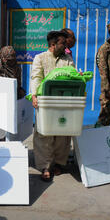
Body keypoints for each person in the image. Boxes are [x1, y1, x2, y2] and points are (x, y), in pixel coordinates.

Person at [30, 30, 75, 182]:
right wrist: (35, 96)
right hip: (45, 101)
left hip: (65, 100)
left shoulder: (67, 59)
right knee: (44, 133)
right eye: (62, 43)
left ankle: (59, 163)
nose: (66, 45)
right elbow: (36, 77)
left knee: (63, 132)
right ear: (53, 44)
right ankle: (45, 166)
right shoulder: (40, 58)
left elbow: (73, 76)